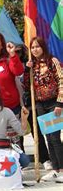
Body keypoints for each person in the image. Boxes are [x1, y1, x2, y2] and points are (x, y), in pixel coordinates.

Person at [24, 37, 63, 183]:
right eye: (32, 47)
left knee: (55, 137)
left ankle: (62, 169)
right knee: (47, 138)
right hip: (40, 104)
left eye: (37, 47)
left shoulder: (53, 61)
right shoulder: (32, 65)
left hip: (54, 103)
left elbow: (61, 80)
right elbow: (28, 86)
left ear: (43, 47)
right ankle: (55, 169)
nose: (35, 50)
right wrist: (27, 70)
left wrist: (60, 103)